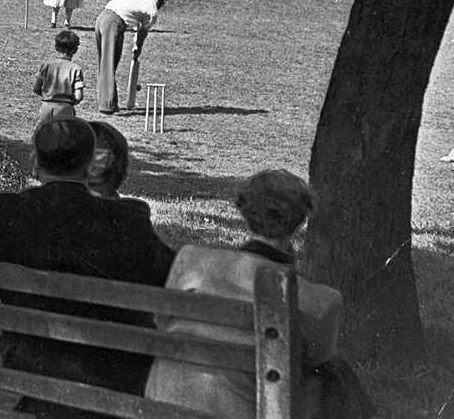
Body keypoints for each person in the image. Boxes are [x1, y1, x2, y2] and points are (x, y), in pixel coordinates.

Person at [0, 120, 176, 414]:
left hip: (35, 380)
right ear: (89, 167)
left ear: (35, 163)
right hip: (119, 387)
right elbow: (173, 277)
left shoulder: (7, 214)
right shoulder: (127, 220)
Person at [146, 170, 367, 419]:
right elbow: (319, 358)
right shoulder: (320, 301)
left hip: (162, 402)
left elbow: (162, 322)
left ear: (244, 210)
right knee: (333, 376)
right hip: (243, 410)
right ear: (302, 218)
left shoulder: (191, 261)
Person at [93, 0, 172, 114]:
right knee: (108, 64)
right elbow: (142, 33)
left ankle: (109, 102)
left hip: (102, 17)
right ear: (161, 0)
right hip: (113, 23)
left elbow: (137, 25)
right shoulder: (152, 10)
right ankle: (106, 106)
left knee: (107, 63)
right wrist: (137, 50)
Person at [33, 30, 86, 127]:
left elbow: (36, 88)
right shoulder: (75, 69)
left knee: (43, 135)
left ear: (56, 47)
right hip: (65, 109)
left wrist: (48, 96)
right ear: (75, 50)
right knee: (64, 137)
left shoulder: (46, 66)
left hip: (46, 107)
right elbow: (78, 96)